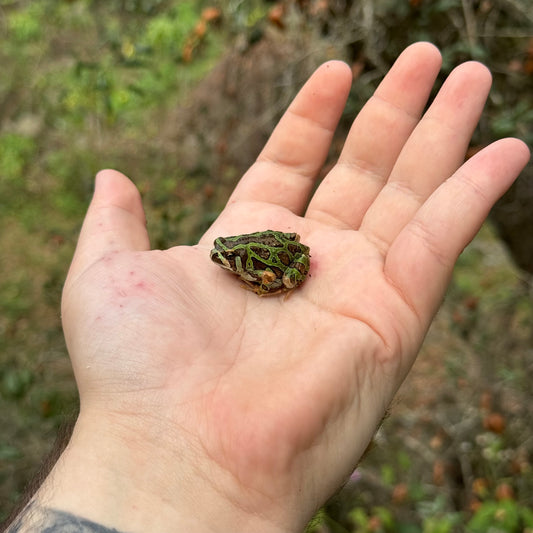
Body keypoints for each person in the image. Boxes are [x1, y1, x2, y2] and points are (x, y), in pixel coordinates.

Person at [4, 42, 530, 533]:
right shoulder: (236, 259)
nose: (221, 261)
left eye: (225, 257)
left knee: (282, 272)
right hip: (284, 247)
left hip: (290, 255)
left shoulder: (245, 264)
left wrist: (271, 283)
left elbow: (273, 271)